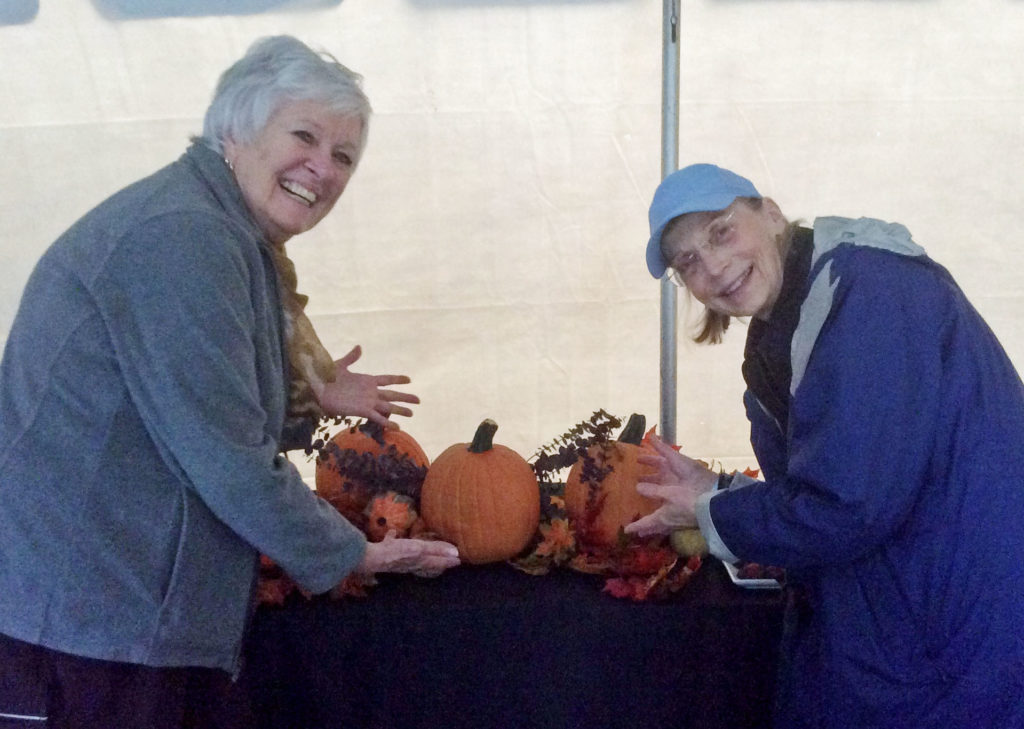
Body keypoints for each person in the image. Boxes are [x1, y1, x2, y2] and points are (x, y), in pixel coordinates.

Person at [0, 35, 460, 728]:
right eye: (304, 136)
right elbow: (224, 453)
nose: (323, 168)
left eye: (344, 156)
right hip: (92, 626)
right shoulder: (185, 237)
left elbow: (187, 410)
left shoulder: (216, 227)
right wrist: (351, 552)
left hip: (116, 618)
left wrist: (306, 397)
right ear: (235, 132)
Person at [626, 163, 1024, 728]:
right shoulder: (782, 330)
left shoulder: (870, 294)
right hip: (895, 618)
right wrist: (717, 492)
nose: (711, 266)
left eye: (721, 232)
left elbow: (849, 506)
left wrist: (715, 510)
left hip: (950, 635)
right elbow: (826, 481)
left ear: (770, 214)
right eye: (687, 261)